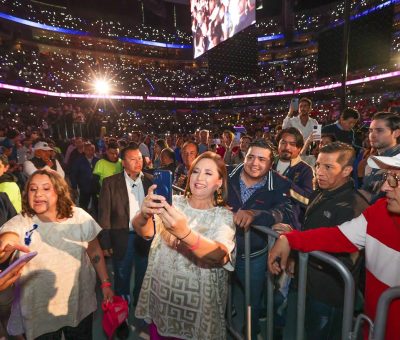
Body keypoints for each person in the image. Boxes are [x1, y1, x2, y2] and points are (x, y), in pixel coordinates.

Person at [268, 153, 400, 340]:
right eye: (388, 177)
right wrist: (289, 239)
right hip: (373, 326)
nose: (386, 186)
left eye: (396, 179)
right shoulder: (379, 211)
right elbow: (338, 236)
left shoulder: (355, 204)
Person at [0, 169, 113, 340]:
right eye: (33, 189)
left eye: (46, 188)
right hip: (40, 314)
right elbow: (8, 238)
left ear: (59, 192)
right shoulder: (21, 222)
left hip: (78, 305)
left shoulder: (79, 217)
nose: (38, 194)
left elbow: (94, 250)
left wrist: (105, 283)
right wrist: (4, 246)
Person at [134, 151, 236, 339]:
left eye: (208, 173)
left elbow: (220, 255)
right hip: (162, 296)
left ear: (219, 182)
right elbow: (144, 231)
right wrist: (144, 214)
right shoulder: (173, 204)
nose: (199, 177)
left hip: (197, 307)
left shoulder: (223, 216)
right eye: (195, 171)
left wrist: (185, 234)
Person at [281, 142, 369, 340]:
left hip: (328, 295)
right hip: (304, 283)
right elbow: (309, 230)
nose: (319, 171)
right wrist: (295, 254)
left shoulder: (354, 207)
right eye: (318, 165)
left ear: (347, 170)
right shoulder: (320, 191)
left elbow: (348, 258)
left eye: (328, 167)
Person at [227, 139, 295, 338]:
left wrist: (256, 215)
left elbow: (285, 211)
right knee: (217, 293)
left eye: (262, 159)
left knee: (252, 300)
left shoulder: (280, 182)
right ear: (244, 156)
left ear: (270, 163)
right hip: (221, 249)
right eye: (251, 157)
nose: (255, 163)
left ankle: (250, 331)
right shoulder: (226, 173)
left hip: (253, 254)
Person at [98, 144, 153, 337]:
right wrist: (105, 244)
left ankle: (140, 309)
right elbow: (104, 214)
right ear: (123, 162)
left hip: (145, 237)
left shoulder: (150, 181)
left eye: (140, 158)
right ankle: (121, 317)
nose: (138, 162)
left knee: (144, 275)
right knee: (122, 278)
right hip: (123, 237)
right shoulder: (111, 183)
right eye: (133, 159)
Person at [274, 127, 314, 225]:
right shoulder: (267, 163)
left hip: (289, 223)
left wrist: (287, 184)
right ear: (278, 144)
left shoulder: (305, 170)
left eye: (292, 144)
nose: (287, 147)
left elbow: (309, 201)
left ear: (299, 148)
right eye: (283, 143)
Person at [361, 112, 400, 202]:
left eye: (379, 130)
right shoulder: (371, 161)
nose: (372, 135)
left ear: (396, 133)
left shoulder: (397, 161)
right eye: (370, 131)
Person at [69, 142, 99, 213]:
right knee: (83, 206)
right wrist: (74, 187)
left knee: (97, 206)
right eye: (88, 150)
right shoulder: (78, 161)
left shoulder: (98, 160)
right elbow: (73, 174)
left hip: (96, 187)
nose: (90, 151)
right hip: (84, 187)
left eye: (92, 149)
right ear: (84, 151)